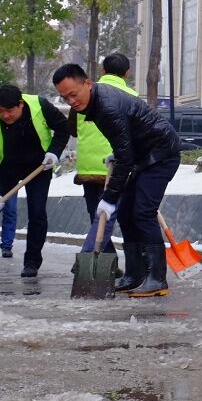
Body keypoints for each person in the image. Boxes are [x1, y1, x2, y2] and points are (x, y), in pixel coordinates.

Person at [52, 63, 183, 299]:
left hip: (161, 153)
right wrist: (121, 152)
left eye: (73, 94)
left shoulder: (106, 107)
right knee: (125, 213)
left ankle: (156, 279)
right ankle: (134, 274)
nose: (71, 101)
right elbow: (124, 140)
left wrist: (109, 197)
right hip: (143, 155)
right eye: (64, 97)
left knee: (143, 211)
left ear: (88, 84)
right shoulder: (95, 102)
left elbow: (125, 155)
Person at [0, 84, 71, 279]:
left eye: (10, 111)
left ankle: (32, 261)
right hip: (7, 167)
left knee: (37, 212)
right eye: (1, 111)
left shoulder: (40, 105)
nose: (5, 116)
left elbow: (63, 127)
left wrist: (54, 151)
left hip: (39, 167)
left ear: (20, 104)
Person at [70, 52, 143, 292]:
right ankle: (97, 260)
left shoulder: (85, 94)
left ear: (102, 71)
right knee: (115, 216)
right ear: (127, 73)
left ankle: (98, 260)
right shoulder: (132, 95)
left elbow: (72, 128)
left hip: (90, 167)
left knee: (98, 216)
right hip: (120, 165)